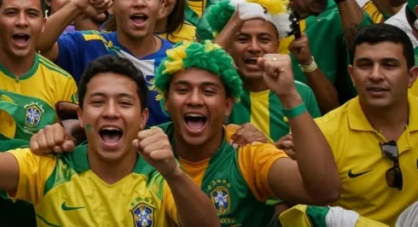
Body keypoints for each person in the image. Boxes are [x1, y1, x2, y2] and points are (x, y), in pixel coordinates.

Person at [33, 42, 342, 226]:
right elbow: (102, 136)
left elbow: (325, 192)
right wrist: (70, 132)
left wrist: (289, 96)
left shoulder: (246, 150)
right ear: (165, 103)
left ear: (227, 105)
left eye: (208, 91)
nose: (195, 100)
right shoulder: (143, 145)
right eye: (182, 90)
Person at [0, 55, 221, 227]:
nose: (110, 112)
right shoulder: (46, 166)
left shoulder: (164, 179)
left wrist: (175, 173)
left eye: (124, 103)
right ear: (81, 114)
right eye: (97, 102)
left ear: (144, 117)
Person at [280, 24, 418, 224]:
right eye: (365, 65)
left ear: (411, 76)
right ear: (352, 75)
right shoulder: (321, 135)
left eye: (389, 65)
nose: (375, 75)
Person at [0, 0, 77, 226]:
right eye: (11, 13)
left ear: (43, 23)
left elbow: (72, 154)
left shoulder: (63, 82)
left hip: (37, 207)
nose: (21, 21)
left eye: (31, 13)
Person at [38, 0, 174, 126]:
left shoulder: (176, 60)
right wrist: (77, 5)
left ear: (161, 5)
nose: (139, 3)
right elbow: (37, 43)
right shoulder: (88, 44)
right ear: (111, 5)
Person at [200, 0, 337, 127]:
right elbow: (198, 72)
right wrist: (235, 21)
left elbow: (318, 142)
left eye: (264, 39)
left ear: (277, 45)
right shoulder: (216, 92)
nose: (254, 47)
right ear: (228, 46)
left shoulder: (300, 93)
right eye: (242, 39)